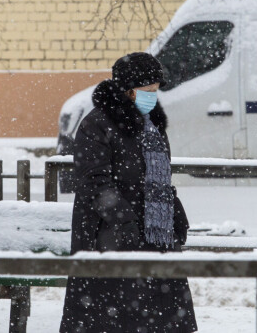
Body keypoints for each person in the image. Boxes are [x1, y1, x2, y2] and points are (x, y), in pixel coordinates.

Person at [60, 52, 197, 333]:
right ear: (129, 90)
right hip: (108, 234)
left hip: (154, 233)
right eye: (148, 91)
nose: (153, 97)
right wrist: (123, 218)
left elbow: (157, 176)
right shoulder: (96, 125)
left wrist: (173, 207)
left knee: (158, 316)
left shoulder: (152, 124)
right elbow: (94, 181)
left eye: (156, 91)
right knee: (115, 318)